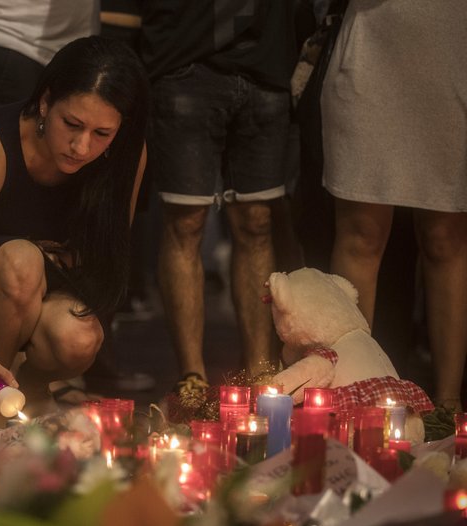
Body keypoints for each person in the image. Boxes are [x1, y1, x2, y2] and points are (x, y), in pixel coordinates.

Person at [0, 36, 149, 418]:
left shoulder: (127, 155)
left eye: (102, 134)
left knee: (79, 337)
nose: (81, 147)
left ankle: (25, 389)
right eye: (72, 124)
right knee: (21, 261)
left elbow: (103, 261)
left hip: (46, 279)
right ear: (46, 102)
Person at [140, 1, 298, 393]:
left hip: (267, 58)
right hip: (186, 54)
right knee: (186, 223)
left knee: (258, 222)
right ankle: (191, 378)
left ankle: (261, 371)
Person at [322, 0, 467, 409]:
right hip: (372, 45)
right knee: (361, 234)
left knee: (446, 237)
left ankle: (450, 405)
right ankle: (354, 394)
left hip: (453, 46)